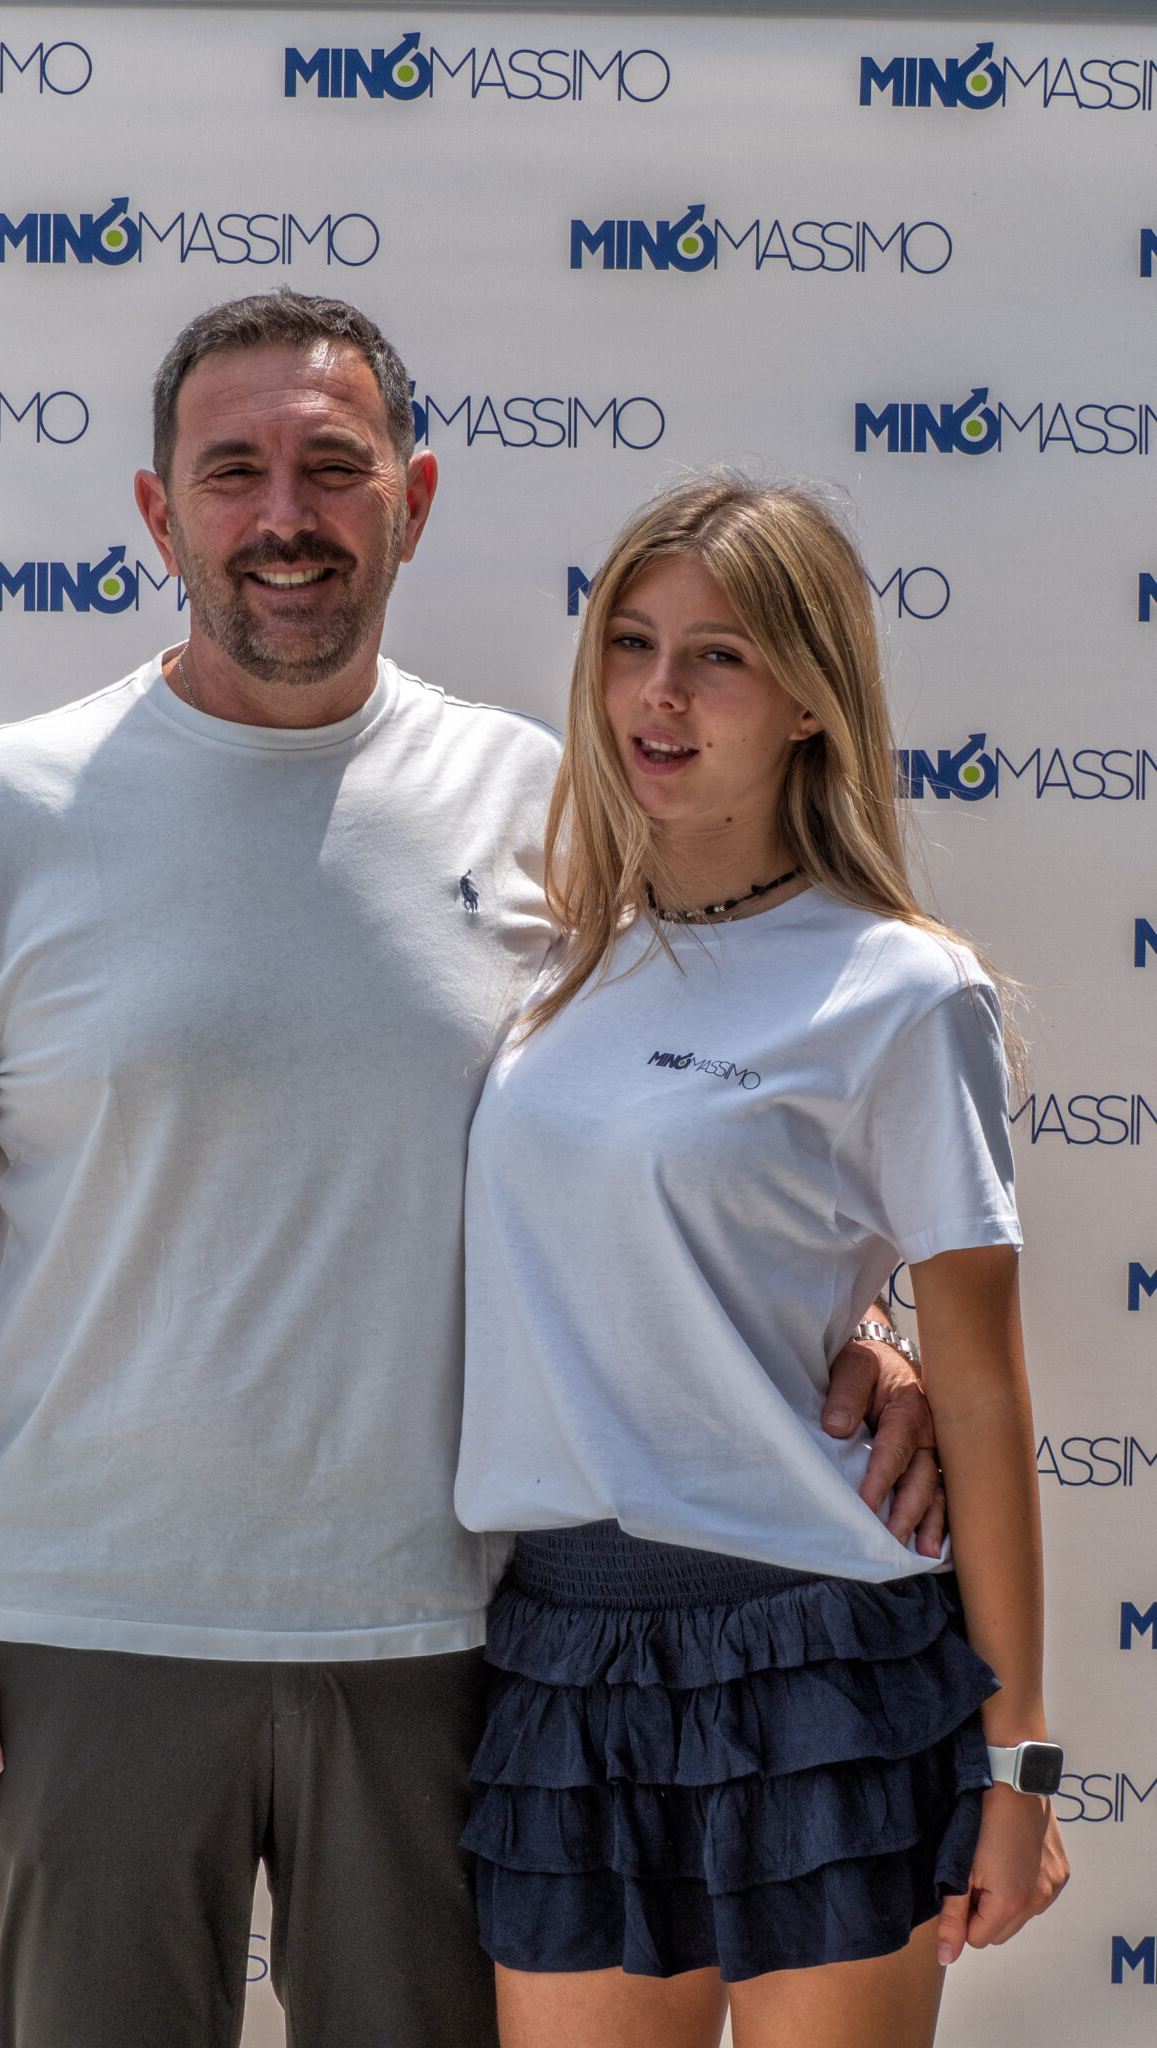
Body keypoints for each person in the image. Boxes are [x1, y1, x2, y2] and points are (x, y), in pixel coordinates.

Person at [0, 295, 942, 2048]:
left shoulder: (552, 805)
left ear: (412, 499)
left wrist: (867, 1321)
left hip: (455, 1641)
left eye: (333, 469)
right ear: (158, 512)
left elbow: (714, 1103)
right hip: (83, 1634)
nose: (286, 518)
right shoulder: (3, 811)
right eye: (235, 472)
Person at [453, 474, 1069, 2048]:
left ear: (809, 698)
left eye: (717, 656)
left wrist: (1019, 1767)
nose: (659, 694)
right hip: (561, 1656)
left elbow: (983, 1400)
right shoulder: (548, 956)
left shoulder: (904, 991)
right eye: (631, 643)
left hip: (818, 1660)